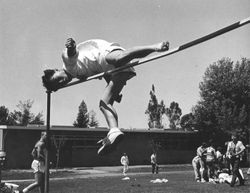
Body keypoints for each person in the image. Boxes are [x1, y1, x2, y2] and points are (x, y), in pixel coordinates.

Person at [42, 38, 169, 155]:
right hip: (115, 71)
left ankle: (155, 47)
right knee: (104, 104)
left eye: (57, 79)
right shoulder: (78, 74)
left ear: (56, 70)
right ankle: (114, 131)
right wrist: (113, 89)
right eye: (59, 85)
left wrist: (71, 47)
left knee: (118, 59)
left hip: (105, 54)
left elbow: (71, 55)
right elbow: (102, 71)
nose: (61, 82)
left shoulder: (68, 65)